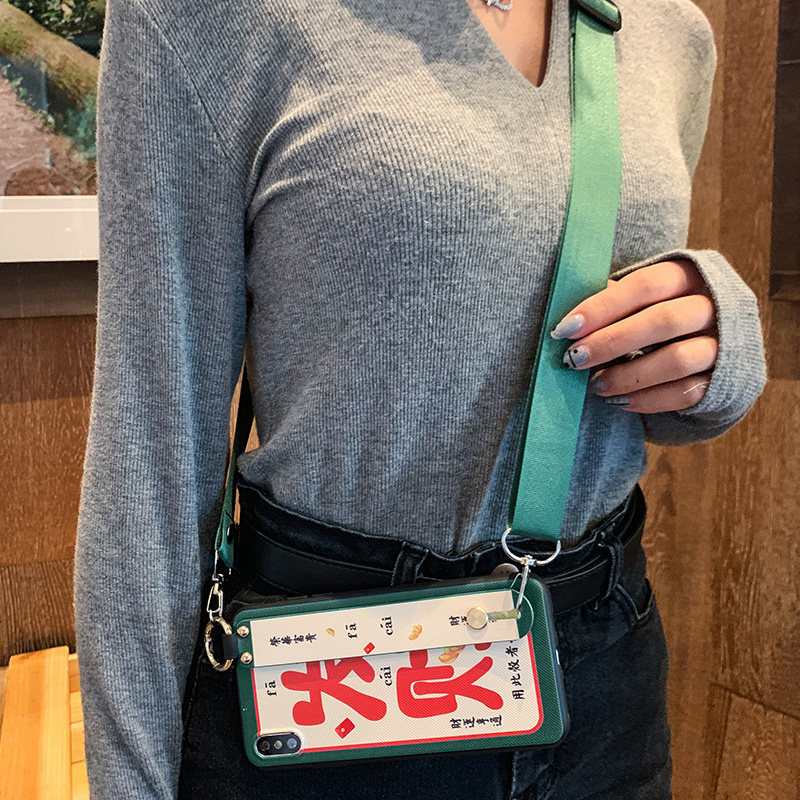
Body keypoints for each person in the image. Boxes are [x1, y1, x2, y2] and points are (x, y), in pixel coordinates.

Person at [74, 0, 768, 798]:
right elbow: (150, 450)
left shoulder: (668, 31)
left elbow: (607, 365)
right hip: (339, 675)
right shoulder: (205, 16)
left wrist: (715, 349)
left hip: (599, 670)